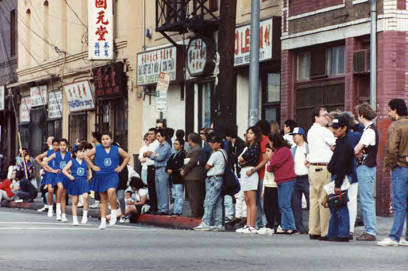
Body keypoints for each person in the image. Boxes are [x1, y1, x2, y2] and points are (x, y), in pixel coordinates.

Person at [84, 132, 131, 230]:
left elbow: (127, 156)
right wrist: (93, 166)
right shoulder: (97, 148)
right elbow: (85, 156)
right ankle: (103, 221)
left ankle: (113, 212)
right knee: (103, 199)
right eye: (103, 139)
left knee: (111, 191)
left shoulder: (116, 149)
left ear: (111, 140)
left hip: (112, 174)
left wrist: (121, 167)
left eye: (107, 139)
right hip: (100, 175)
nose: (105, 141)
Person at [378, 99, 408, 247]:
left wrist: (389, 166)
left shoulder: (395, 126)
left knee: (399, 204)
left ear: (395, 110)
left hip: (400, 168)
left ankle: (394, 236)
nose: (389, 113)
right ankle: (406, 238)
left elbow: (391, 149)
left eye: (389, 110)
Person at [307, 106, 336, 240]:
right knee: (324, 200)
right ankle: (325, 231)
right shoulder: (323, 131)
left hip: (312, 168)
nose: (327, 117)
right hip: (323, 167)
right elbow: (335, 143)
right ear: (316, 118)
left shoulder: (311, 131)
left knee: (314, 200)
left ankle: (314, 230)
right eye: (324, 115)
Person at [326, 116, 354, 242]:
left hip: (341, 177)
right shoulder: (341, 142)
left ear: (344, 128)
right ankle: (334, 233)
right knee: (334, 205)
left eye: (337, 128)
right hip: (338, 175)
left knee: (340, 205)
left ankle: (342, 234)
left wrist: (337, 184)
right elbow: (336, 162)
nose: (334, 130)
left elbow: (342, 165)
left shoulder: (345, 144)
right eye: (333, 128)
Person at [352, 104, 378, 241]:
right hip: (367, 166)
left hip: (365, 167)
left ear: (362, 115)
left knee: (366, 199)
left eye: (358, 115)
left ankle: (370, 231)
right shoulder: (369, 130)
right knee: (366, 198)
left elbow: (357, 149)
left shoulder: (369, 131)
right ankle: (370, 229)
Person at [194, 135, 227, 231]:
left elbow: (207, 166)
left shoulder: (216, 154)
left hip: (213, 178)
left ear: (219, 143)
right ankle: (218, 224)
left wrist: (209, 166)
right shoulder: (224, 153)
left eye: (213, 142)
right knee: (217, 202)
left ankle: (206, 222)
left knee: (209, 201)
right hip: (219, 178)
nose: (211, 144)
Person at [267, 133, 297, 234]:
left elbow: (272, 165)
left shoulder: (283, 150)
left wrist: (271, 161)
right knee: (282, 204)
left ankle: (291, 226)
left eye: (270, 141)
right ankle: (285, 226)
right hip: (282, 180)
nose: (269, 143)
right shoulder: (281, 151)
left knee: (285, 204)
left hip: (286, 180)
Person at [236, 126, 261, 234]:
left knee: (252, 200)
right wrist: (242, 160)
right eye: (248, 133)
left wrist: (242, 160)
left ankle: (252, 225)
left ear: (256, 135)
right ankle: (247, 224)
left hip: (250, 172)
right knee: (247, 200)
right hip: (244, 172)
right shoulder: (247, 146)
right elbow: (240, 160)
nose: (248, 135)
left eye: (251, 133)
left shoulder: (255, 146)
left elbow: (244, 158)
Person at [43, 139, 72, 222]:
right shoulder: (56, 154)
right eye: (61, 145)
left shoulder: (69, 155)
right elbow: (45, 161)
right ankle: (58, 209)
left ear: (66, 146)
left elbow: (73, 163)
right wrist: (52, 170)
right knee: (60, 187)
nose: (62, 147)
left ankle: (63, 215)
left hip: (65, 176)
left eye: (64, 145)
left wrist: (70, 170)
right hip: (57, 175)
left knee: (63, 196)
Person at [62, 143, 91, 225]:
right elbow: (64, 170)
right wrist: (70, 176)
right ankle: (75, 219)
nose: (82, 153)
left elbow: (89, 169)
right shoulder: (72, 161)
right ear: (76, 153)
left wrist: (90, 175)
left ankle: (85, 216)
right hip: (75, 181)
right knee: (75, 200)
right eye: (80, 152)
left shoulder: (86, 161)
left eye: (83, 151)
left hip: (84, 181)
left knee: (85, 197)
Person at [144, 129, 172, 215]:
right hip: (157, 169)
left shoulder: (166, 146)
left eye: (159, 136)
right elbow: (156, 155)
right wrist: (154, 155)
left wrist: (152, 155)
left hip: (163, 169)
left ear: (164, 137)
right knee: (158, 190)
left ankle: (164, 208)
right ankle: (160, 208)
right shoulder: (159, 146)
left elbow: (160, 157)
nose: (157, 138)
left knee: (163, 190)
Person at [290, 127, 310, 234]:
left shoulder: (309, 148)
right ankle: (299, 227)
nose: (294, 137)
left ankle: (313, 225)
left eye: (295, 135)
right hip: (295, 178)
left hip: (306, 177)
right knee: (296, 203)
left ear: (301, 135)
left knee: (310, 202)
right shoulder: (293, 149)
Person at [181, 133, 205, 218]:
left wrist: (184, 170)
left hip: (193, 175)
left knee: (194, 196)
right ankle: (195, 212)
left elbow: (192, 162)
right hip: (191, 175)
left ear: (191, 140)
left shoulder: (196, 149)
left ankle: (195, 213)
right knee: (194, 195)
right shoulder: (194, 149)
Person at [225, 127, 246, 225]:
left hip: (240, 172)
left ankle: (242, 215)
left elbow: (238, 157)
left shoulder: (240, 144)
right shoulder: (230, 144)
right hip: (234, 171)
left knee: (241, 194)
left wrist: (233, 156)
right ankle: (238, 215)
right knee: (238, 195)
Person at [35, 138, 60, 218]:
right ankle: (50, 208)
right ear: (52, 145)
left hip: (58, 173)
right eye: (54, 145)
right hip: (49, 173)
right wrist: (43, 166)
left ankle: (58, 208)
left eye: (57, 145)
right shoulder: (49, 152)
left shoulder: (61, 153)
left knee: (59, 190)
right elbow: (37, 158)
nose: (56, 147)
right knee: (50, 190)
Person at [259, 143, 280, 235]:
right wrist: (263, 189)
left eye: (269, 151)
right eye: (266, 151)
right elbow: (265, 177)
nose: (267, 153)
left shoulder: (275, 162)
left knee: (274, 207)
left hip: (274, 186)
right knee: (266, 207)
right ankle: (269, 224)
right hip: (267, 186)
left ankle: (275, 225)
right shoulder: (267, 163)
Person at [166, 138, 186, 216]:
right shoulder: (173, 154)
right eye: (174, 144)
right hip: (172, 178)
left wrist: (172, 170)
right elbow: (168, 163)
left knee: (179, 195)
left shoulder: (183, 154)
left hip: (178, 177)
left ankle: (178, 211)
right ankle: (175, 210)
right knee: (174, 195)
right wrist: (168, 169)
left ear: (181, 145)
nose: (175, 145)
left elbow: (180, 165)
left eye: (177, 144)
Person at [142, 128, 160, 213]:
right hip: (148, 166)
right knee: (150, 188)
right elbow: (144, 154)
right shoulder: (150, 144)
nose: (149, 136)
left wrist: (147, 154)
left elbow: (151, 154)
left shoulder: (156, 144)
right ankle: (152, 206)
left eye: (152, 134)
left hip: (153, 166)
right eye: (148, 134)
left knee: (153, 189)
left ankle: (154, 207)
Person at [89, 132, 102, 209]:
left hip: (97, 167)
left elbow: (90, 156)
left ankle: (97, 201)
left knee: (98, 184)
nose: (91, 138)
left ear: (95, 138)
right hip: (96, 167)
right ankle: (98, 200)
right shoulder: (97, 146)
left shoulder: (98, 146)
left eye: (92, 137)